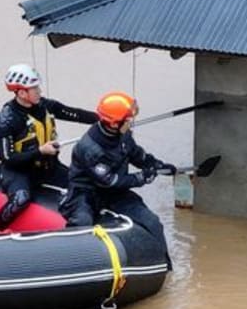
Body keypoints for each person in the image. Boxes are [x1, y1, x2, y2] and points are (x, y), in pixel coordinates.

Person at [61, 91, 175, 261]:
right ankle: (75, 262)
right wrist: (141, 178)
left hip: (115, 194)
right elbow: (110, 181)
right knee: (82, 224)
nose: (131, 122)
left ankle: (164, 265)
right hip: (86, 193)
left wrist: (156, 165)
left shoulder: (123, 134)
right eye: (128, 119)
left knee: (152, 222)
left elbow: (137, 155)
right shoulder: (90, 148)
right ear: (114, 124)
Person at [0, 63, 99, 230]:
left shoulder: (45, 106)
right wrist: (40, 151)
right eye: (35, 89)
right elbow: (8, 159)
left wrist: (101, 119)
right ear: (21, 93)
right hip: (19, 172)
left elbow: (71, 113)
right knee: (21, 199)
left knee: (83, 183)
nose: (39, 91)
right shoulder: (6, 120)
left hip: (47, 167)